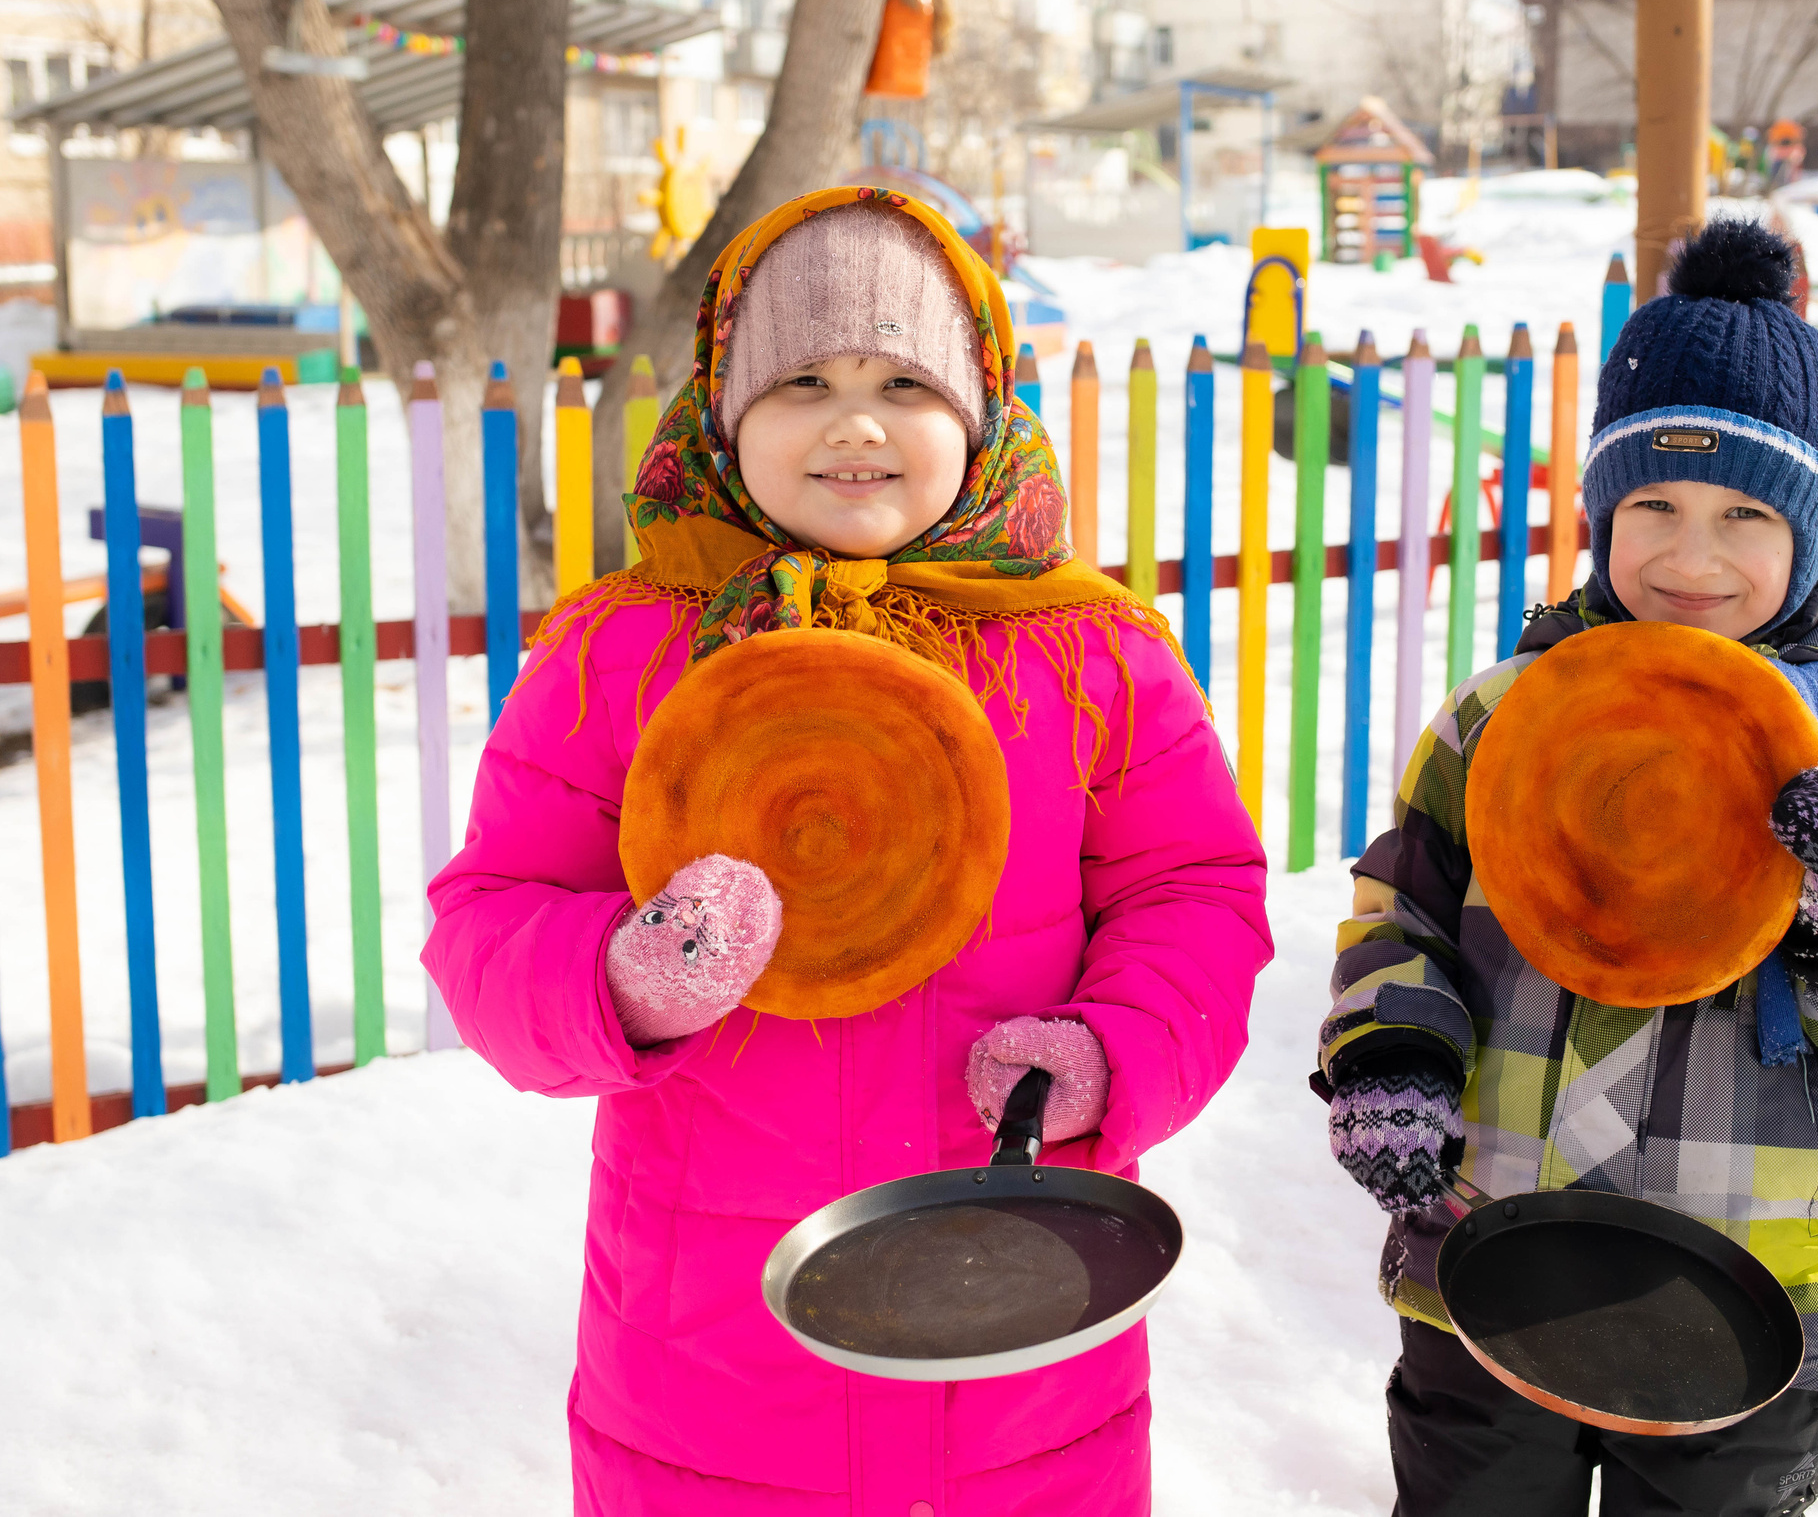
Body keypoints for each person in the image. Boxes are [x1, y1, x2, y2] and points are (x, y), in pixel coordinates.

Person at [424, 186, 1271, 1516]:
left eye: (906, 382)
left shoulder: (1087, 652)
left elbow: (1194, 898)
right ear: (724, 410)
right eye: (802, 379)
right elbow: (490, 919)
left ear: (986, 404)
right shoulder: (622, 653)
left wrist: (1112, 1054)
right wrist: (620, 978)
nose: (856, 421)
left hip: (1020, 1341)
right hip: (713, 1361)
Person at [1317, 220, 1818, 1517]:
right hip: (1487, 1275)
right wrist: (1392, 1056)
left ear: (1813, 537)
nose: (1691, 559)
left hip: (1741, 1314)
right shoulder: (1509, 715)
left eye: (1745, 515)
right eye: (1652, 504)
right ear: (1600, 511)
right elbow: (1399, 912)